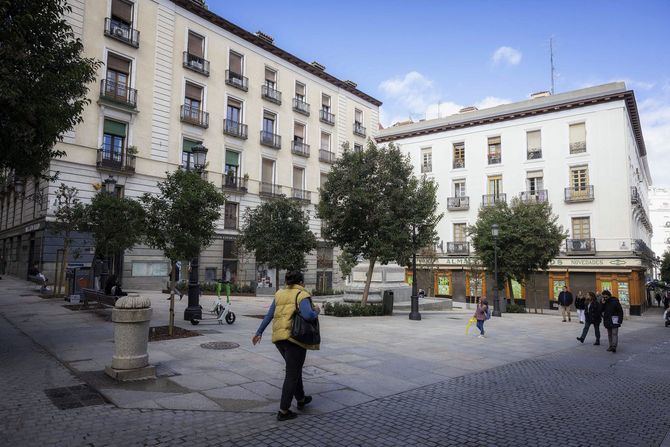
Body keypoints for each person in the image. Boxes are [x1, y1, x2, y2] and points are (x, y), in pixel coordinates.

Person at [252, 270, 320, 421]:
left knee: (294, 369)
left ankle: (301, 399)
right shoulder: (301, 295)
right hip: (294, 338)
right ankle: (283, 411)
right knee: (292, 373)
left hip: (279, 339)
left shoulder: (279, 293)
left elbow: (270, 315)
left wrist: (259, 332)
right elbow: (309, 316)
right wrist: (317, 311)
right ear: (301, 282)